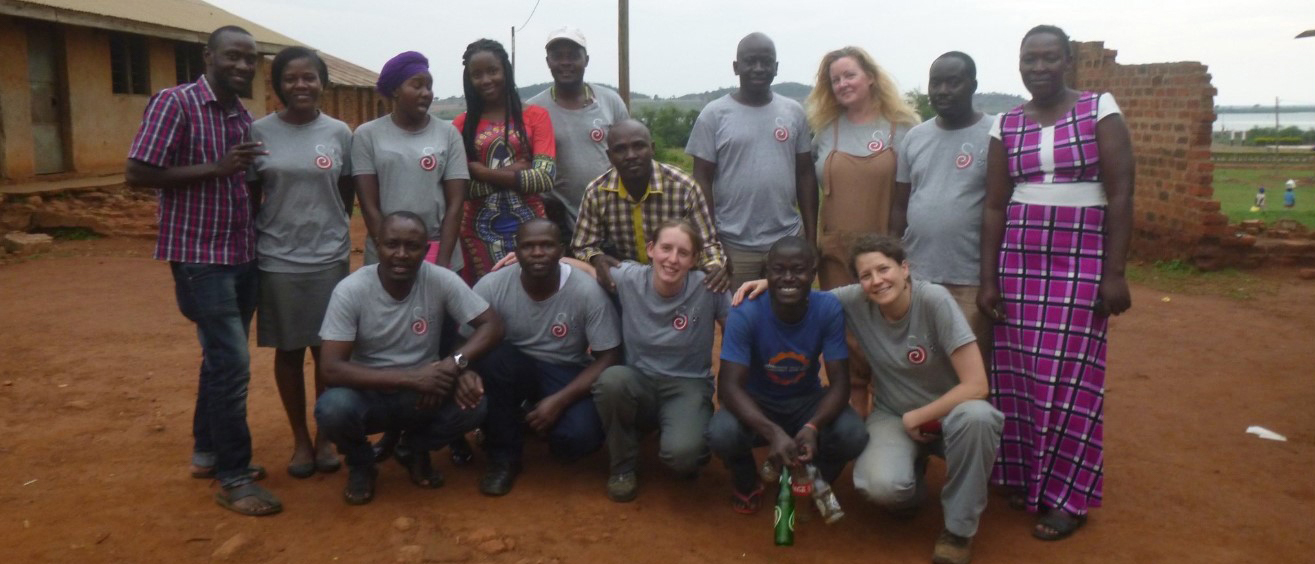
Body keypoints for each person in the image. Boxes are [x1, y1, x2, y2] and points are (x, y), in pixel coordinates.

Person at [734, 235, 1002, 564]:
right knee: (878, 486)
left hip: (952, 414)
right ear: (859, 283)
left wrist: (917, 417)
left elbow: (976, 385)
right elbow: (804, 294)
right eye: (866, 275)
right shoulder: (857, 301)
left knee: (980, 418)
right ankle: (911, 488)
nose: (876, 281)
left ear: (904, 269)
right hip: (893, 414)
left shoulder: (934, 300)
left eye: (884, 269)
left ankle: (959, 531)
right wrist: (772, 279)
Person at [979, 24, 1134, 541]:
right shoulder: (1005, 123)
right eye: (1030, 59)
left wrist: (1114, 273)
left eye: (1049, 58)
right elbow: (996, 205)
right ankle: (1027, 476)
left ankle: (1068, 496)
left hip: (1081, 259)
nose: (1038, 68)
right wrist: (988, 280)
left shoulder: (1098, 109)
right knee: (1019, 376)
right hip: (1019, 261)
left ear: (1068, 60)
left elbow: (1121, 194)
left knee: (1071, 380)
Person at [125, 25, 280, 516]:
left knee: (218, 360)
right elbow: (137, 173)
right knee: (232, 365)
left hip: (241, 253)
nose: (242, 66)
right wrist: (215, 168)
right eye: (233, 56)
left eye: (250, 59)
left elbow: (247, 182)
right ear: (208, 55)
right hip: (198, 256)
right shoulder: (176, 103)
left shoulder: (241, 115)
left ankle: (206, 453)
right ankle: (234, 476)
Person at [316, 212, 503, 504]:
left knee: (474, 404)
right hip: (370, 393)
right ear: (378, 245)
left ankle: (414, 449)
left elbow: (492, 325)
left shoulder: (441, 279)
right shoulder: (351, 290)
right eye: (392, 244)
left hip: (425, 392)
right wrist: (412, 379)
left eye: (412, 246)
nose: (401, 254)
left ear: (425, 248)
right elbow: (330, 368)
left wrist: (452, 365)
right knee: (332, 409)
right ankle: (361, 464)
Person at [246, 46, 353, 479]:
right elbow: (253, 195)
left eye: (309, 78)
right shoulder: (258, 132)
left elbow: (347, 193)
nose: (301, 85)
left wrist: (331, 229)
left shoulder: (341, 132)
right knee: (289, 353)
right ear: (277, 85)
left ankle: (327, 435)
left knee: (327, 351)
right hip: (278, 259)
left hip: (329, 257)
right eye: (291, 78)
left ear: (322, 82)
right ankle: (300, 441)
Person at [707, 237, 867, 514]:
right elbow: (729, 388)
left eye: (798, 270)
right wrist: (772, 431)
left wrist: (813, 426)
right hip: (758, 402)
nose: (788, 277)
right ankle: (747, 481)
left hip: (806, 400)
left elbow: (840, 384)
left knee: (853, 434)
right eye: (779, 270)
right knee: (722, 433)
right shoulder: (745, 313)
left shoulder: (827, 308)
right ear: (766, 274)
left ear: (813, 275)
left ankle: (815, 475)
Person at [804, 46, 920, 416]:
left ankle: (895, 428)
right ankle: (856, 434)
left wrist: (898, 251)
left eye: (849, 75)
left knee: (890, 335)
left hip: (886, 252)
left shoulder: (902, 128)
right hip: (836, 255)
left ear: (870, 76)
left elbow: (913, 193)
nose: (842, 84)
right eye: (835, 79)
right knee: (847, 341)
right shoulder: (824, 130)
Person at [471, 219, 621, 496]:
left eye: (546, 245)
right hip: (513, 368)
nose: (538, 252)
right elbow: (465, 338)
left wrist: (559, 401)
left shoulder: (586, 291)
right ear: (515, 250)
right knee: (494, 358)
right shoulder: (492, 285)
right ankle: (504, 458)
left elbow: (608, 356)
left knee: (579, 438)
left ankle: (529, 416)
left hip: (565, 370)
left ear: (561, 250)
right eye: (528, 246)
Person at [591, 220, 731, 502]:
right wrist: (594, 260)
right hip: (639, 380)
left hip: (688, 384)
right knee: (611, 381)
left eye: (683, 253)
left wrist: (729, 385)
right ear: (652, 249)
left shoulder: (709, 287)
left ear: (694, 260)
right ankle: (622, 467)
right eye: (666, 248)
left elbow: (735, 330)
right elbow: (580, 269)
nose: (672, 259)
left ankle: (688, 438)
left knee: (684, 458)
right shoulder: (630, 277)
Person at [686, 33, 817, 290]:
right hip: (732, 244)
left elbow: (805, 175)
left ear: (776, 68)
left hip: (787, 240)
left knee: (790, 313)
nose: (759, 68)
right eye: (750, 61)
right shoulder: (713, 115)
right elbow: (701, 180)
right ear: (736, 67)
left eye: (766, 62)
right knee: (739, 315)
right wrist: (711, 243)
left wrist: (811, 239)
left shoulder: (794, 112)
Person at [890, 52, 995, 363]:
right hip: (919, 274)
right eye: (936, 83)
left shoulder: (996, 134)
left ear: (973, 85)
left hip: (970, 278)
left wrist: (991, 278)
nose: (943, 91)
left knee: (968, 364)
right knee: (920, 360)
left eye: (954, 82)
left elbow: (999, 207)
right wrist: (895, 263)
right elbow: (900, 206)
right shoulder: (915, 137)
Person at [572, 119, 728, 293]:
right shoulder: (597, 192)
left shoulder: (683, 187)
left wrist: (714, 266)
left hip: (676, 279)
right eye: (620, 149)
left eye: (639, 146)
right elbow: (583, 244)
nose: (631, 155)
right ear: (609, 156)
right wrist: (596, 258)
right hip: (626, 283)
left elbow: (706, 244)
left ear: (652, 148)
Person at [353, 51, 468, 270]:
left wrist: (443, 264)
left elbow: (455, 205)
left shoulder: (448, 134)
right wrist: (390, 254)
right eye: (417, 86)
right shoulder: (367, 135)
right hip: (386, 253)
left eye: (429, 86)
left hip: (438, 248)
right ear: (395, 90)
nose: (426, 93)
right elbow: (369, 206)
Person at [455, 39, 557, 283]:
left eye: (493, 71)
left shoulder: (535, 116)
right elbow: (461, 188)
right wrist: (516, 173)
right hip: (476, 234)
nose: (486, 80)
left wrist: (481, 171)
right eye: (477, 74)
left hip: (534, 234)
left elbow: (544, 178)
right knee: (485, 303)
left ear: (505, 71)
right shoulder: (461, 125)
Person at [526, 27, 630, 237]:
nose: (565, 62)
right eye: (558, 56)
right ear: (548, 62)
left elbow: (629, 154)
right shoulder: (532, 111)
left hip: (612, 218)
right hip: (558, 223)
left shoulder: (610, 101)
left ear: (586, 60)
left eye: (573, 56)